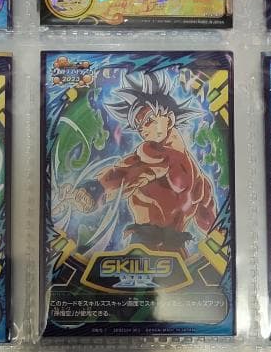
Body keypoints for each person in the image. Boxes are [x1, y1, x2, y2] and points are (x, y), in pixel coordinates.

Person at [61, 70, 216, 256]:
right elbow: (127, 172)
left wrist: (218, 237)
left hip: (176, 250)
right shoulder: (152, 154)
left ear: (169, 119)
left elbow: (208, 216)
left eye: (149, 120)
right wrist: (95, 190)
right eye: (139, 126)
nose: (144, 130)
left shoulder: (198, 179)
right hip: (145, 244)